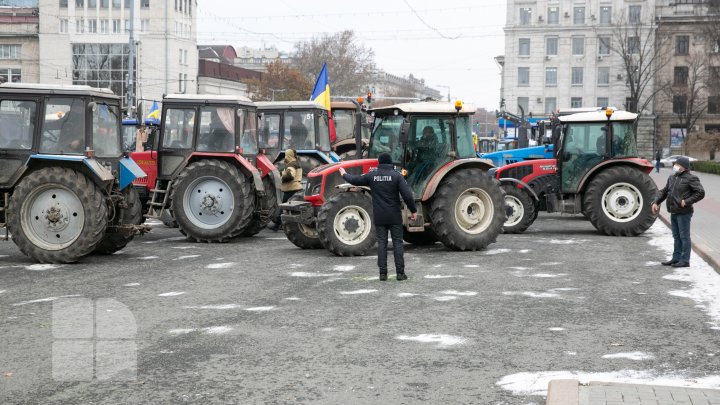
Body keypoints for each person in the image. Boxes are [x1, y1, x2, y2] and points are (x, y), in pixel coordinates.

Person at [339, 153, 418, 281]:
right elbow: (407, 196)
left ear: (379, 163)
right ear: (390, 162)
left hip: (380, 216)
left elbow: (355, 180)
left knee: (382, 243)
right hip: (394, 216)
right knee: (398, 243)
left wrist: (343, 174)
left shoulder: (372, 176)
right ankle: (400, 273)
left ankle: (382, 274)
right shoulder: (397, 176)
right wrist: (413, 210)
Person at [651, 156, 705, 268]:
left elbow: (700, 192)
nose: (675, 166)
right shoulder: (672, 177)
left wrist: (687, 201)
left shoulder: (691, 178)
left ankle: (685, 260)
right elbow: (664, 192)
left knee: (684, 236)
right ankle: (676, 258)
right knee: (676, 236)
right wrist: (656, 202)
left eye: (677, 164)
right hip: (673, 211)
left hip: (684, 212)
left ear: (683, 167)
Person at [268, 149, 303, 231]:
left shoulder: (291, 165)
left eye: (286, 155)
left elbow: (290, 176)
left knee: (283, 208)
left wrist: (281, 176)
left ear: (289, 155)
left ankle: (277, 225)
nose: (285, 157)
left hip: (291, 189)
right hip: (295, 188)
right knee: (291, 208)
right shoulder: (296, 163)